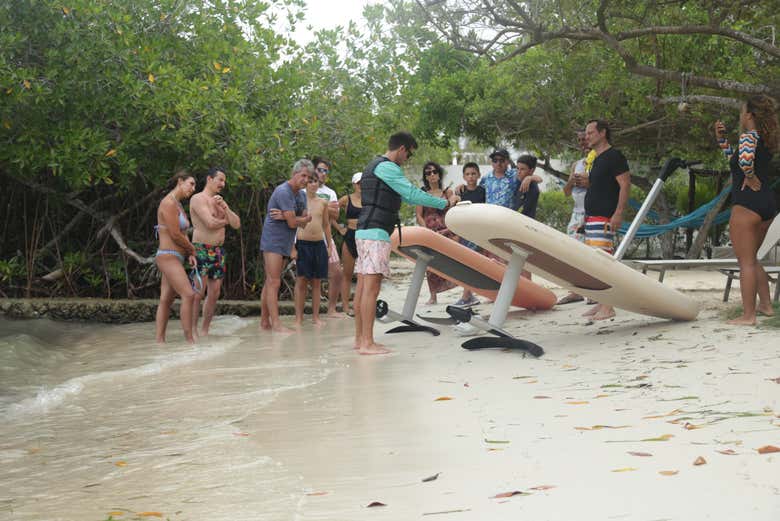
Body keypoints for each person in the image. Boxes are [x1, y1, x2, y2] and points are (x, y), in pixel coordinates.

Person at [353, 131, 459, 355]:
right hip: (376, 234)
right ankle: (367, 344)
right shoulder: (388, 167)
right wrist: (444, 203)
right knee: (371, 290)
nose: (406, 160)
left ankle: (359, 340)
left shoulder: (372, 165)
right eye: (408, 155)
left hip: (364, 232)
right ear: (402, 149)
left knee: (363, 288)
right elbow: (411, 195)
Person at [714, 94, 779, 325]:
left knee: (746, 262)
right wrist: (721, 140)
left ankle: (748, 315)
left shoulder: (748, 137)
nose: (740, 115)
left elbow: (744, 160)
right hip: (766, 204)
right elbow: (737, 160)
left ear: (749, 115)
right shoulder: (763, 139)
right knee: (752, 258)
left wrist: (749, 176)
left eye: (742, 112)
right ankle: (766, 306)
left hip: (747, 204)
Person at [582, 119, 631, 320]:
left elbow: (625, 184)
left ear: (602, 133)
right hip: (592, 216)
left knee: (603, 261)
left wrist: (618, 212)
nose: (587, 136)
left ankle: (608, 305)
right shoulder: (597, 159)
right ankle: (601, 302)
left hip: (605, 216)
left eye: (590, 132)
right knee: (594, 263)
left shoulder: (614, 156)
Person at [260, 159, 313, 333]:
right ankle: (276, 324)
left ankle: (265, 323)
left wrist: (287, 217)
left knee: (270, 282)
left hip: (286, 241)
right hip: (273, 239)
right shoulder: (283, 191)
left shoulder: (302, 195)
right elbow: (295, 222)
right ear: (294, 173)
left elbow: (305, 221)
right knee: (273, 282)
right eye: (303, 175)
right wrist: (294, 219)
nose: (305, 180)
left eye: (309, 177)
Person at [189, 167, 241, 337]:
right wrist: (226, 220)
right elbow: (210, 223)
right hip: (201, 248)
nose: (223, 184)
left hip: (218, 251)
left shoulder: (220, 201)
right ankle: (193, 330)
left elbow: (237, 224)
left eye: (224, 181)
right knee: (198, 292)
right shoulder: (198, 199)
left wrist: (225, 208)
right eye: (220, 180)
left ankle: (205, 329)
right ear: (209, 179)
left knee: (214, 293)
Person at [154, 170, 198, 344]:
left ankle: (160, 342)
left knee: (166, 300)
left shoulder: (178, 205)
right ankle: (190, 342)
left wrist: (189, 254)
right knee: (188, 295)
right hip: (167, 256)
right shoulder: (168, 203)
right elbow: (174, 234)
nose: (193, 189)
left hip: (177, 257)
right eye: (191, 184)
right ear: (180, 181)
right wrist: (193, 249)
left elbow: (183, 233)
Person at [293, 175, 333, 325]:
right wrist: (292, 248)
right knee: (301, 280)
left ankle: (316, 317)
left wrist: (329, 246)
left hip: (319, 245)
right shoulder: (298, 200)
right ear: (305, 183)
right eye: (310, 181)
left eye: (315, 181)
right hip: (303, 244)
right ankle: (298, 318)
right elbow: (291, 224)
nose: (313, 184)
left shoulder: (323, 202)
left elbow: (326, 225)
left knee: (317, 282)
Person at [415, 161, 457, 304]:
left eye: (434, 172)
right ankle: (433, 296)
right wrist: (426, 230)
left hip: (447, 231)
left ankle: (463, 293)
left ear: (439, 174)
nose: (432, 175)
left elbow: (454, 211)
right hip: (430, 233)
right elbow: (419, 215)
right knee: (430, 264)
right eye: (428, 173)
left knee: (453, 261)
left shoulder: (448, 192)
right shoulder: (422, 194)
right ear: (425, 177)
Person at [558, 131, 591, 305]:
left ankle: (594, 292)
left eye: (584, 138)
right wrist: (571, 180)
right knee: (572, 253)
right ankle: (575, 291)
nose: (582, 143)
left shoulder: (598, 161)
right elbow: (566, 192)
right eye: (579, 140)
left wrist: (589, 182)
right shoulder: (577, 164)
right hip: (577, 212)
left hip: (592, 212)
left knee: (592, 253)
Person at [313, 156, 345, 318]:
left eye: (326, 171)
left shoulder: (330, 192)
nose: (323, 173)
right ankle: (314, 314)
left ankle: (331, 308)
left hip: (326, 237)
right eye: (320, 170)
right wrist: (325, 206)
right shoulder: (306, 189)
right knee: (310, 277)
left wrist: (320, 206)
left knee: (337, 272)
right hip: (308, 237)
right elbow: (306, 211)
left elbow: (336, 214)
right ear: (313, 170)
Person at [454, 162, 485, 307]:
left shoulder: (483, 192)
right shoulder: (460, 192)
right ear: (463, 177)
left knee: (472, 263)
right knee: (465, 263)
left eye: (473, 173)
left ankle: (466, 297)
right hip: (463, 233)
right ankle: (470, 295)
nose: (471, 177)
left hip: (477, 232)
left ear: (478, 175)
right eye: (468, 174)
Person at [334, 172, 363, 316]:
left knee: (365, 275)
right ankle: (346, 306)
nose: (361, 186)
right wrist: (339, 228)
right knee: (347, 273)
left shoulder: (370, 200)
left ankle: (361, 305)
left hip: (365, 237)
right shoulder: (346, 199)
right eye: (358, 183)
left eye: (363, 183)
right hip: (350, 235)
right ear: (353, 184)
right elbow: (328, 212)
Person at [514, 154, 543, 219]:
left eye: (522, 169)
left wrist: (529, 178)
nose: (518, 172)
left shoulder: (532, 187)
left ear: (531, 170)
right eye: (517, 168)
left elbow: (522, 210)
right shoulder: (519, 180)